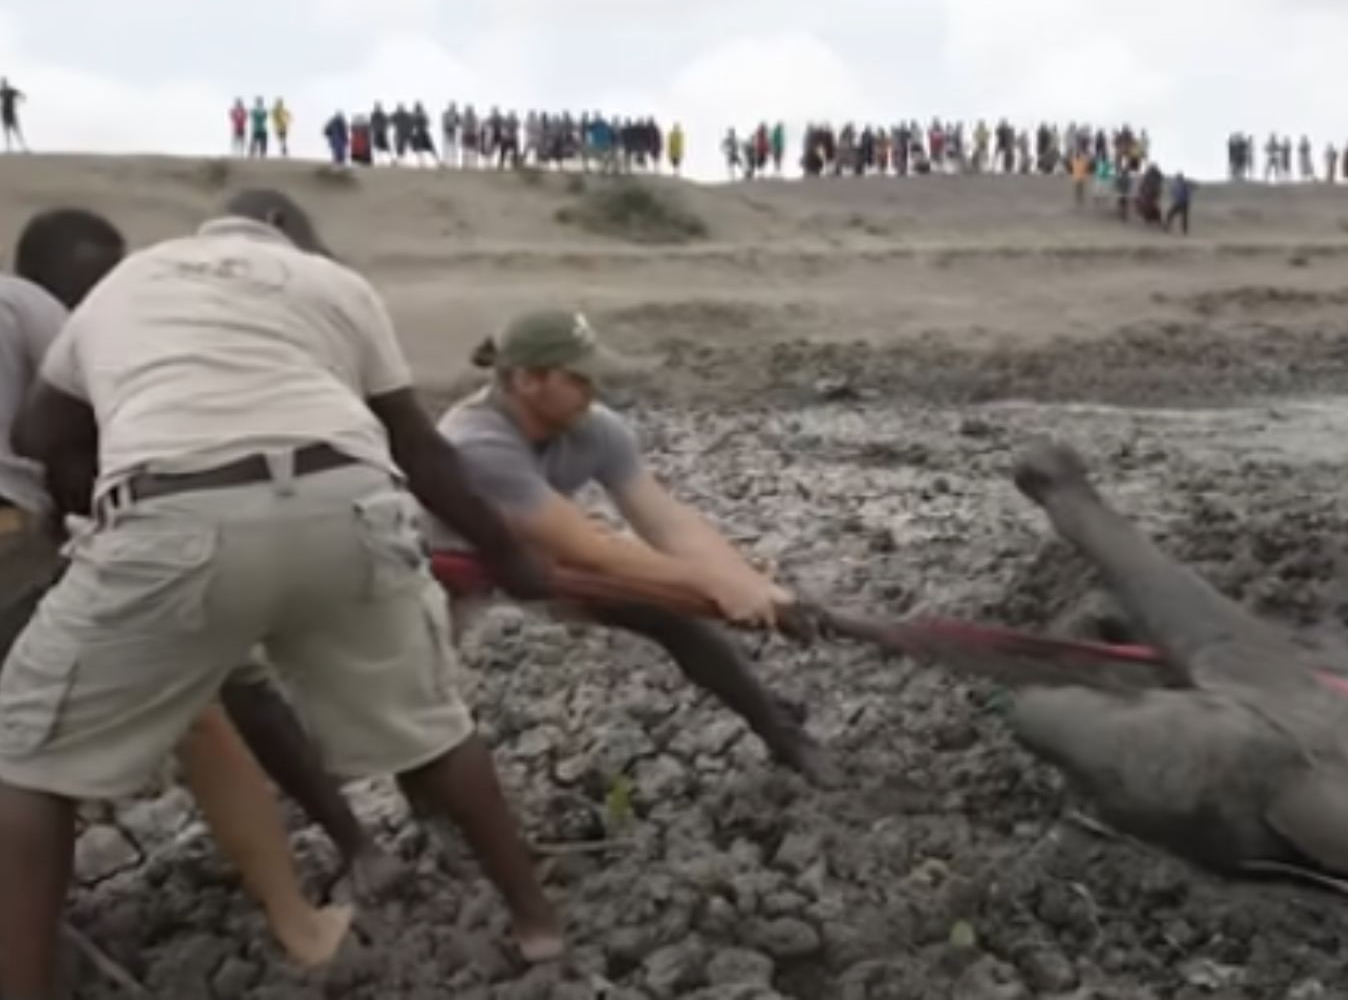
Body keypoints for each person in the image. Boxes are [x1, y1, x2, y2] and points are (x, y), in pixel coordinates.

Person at [0, 189, 570, 998]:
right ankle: (535, 922)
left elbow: (36, 435)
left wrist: (107, 474)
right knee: (434, 728)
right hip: (350, 506)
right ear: (290, 235)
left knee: (26, 757)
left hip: (175, 517)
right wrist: (508, 555)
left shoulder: (129, 282)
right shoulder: (334, 284)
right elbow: (420, 448)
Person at [0, 208, 361, 973]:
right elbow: (73, 438)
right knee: (205, 711)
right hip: (22, 546)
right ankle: (300, 918)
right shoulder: (40, 309)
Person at [426, 309, 840, 788]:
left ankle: (781, 733)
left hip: (539, 555)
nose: (592, 390)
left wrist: (751, 586)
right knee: (428, 705)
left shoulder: (595, 426)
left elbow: (666, 520)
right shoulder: (477, 443)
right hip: (448, 573)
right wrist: (716, 585)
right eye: (578, 378)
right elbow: (591, 548)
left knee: (672, 616)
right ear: (526, 379)